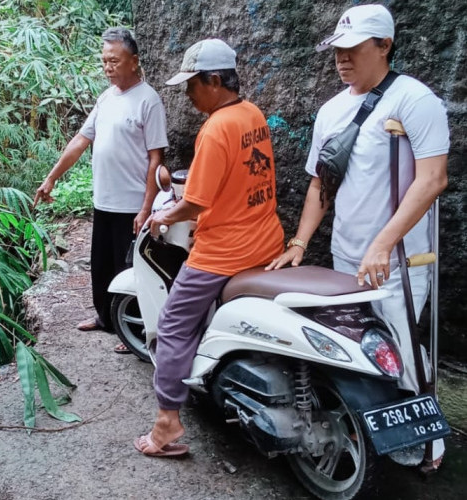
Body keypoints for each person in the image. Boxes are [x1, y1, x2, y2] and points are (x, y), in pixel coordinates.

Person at [266, 4, 449, 471]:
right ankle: (372, 428)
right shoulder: (332, 109)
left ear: (384, 45)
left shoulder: (414, 100)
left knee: (400, 343)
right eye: (336, 51)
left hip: (399, 260)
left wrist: (384, 243)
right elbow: (319, 184)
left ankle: (428, 442)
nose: (341, 60)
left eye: (352, 50)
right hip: (346, 255)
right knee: (357, 345)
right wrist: (300, 243)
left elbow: (432, 180)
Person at [133, 39, 284, 457]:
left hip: (225, 251)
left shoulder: (215, 128)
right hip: (266, 240)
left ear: (215, 80)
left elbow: (196, 202)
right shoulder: (252, 115)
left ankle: (167, 423)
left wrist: (163, 216)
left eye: (192, 84)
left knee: (174, 324)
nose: (188, 93)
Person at [33, 27, 168, 354]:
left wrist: (146, 208)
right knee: (103, 265)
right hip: (104, 200)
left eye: (115, 60)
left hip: (133, 202)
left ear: (134, 61)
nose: (108, 67)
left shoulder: (148, 100)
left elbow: (156, 160)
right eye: (104, 60)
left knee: (133, 269)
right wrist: (51, 178)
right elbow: (81, 141)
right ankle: (107, 318)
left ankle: (133, 326)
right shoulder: (106, 98)